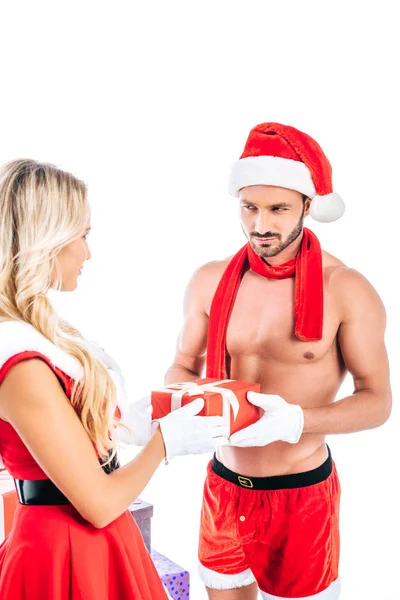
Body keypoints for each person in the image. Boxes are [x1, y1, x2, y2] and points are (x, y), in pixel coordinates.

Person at [162, 123, 392, 599]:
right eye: (249, 207)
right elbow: (181, 367)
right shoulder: (208, 280)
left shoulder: (346, 289)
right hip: (223, 486)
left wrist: (295, 421)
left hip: (301, 493)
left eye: (278, 209)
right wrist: (191, 408)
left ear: (308, 205)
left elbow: (378, 402)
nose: (260, 225)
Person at [0, 159, 228, 600]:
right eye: (83, 236)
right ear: (46, 240)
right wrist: (165, 442)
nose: (89, 253)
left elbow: (72, 439)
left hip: (97, 542)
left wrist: (131, 419)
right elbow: (99, 504)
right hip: (62, 552)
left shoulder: (41, 334)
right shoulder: (20, 362)